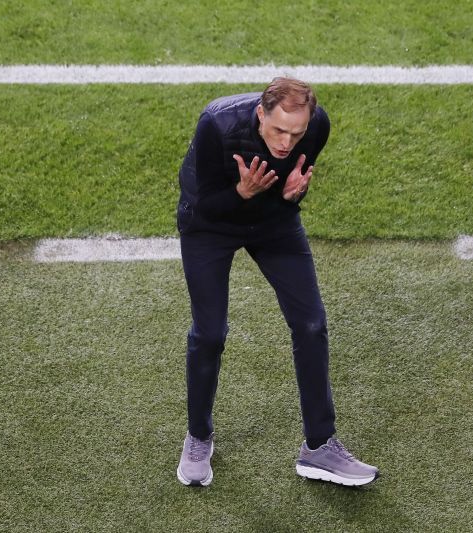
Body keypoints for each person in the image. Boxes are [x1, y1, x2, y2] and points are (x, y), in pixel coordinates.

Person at [175, 77, 378, 487]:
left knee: (311, 323)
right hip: (208, 226)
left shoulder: (316, 126)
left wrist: (293, 196)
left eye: (296, 133)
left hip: (273, 223)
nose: (287, 142)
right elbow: (204, 204)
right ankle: (198, 436)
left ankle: (319, 447)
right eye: (278, 130)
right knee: (210, 333)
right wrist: (242, 191)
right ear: (260, 114)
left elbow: (290, 184)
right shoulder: (217, 125)